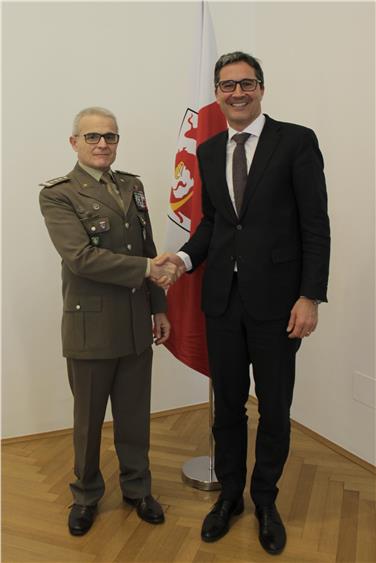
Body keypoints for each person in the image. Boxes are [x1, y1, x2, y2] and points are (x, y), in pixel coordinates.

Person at [156, 52, 330, 555]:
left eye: (246, 83)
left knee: (274, 409)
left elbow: (315, 226)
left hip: (280, 306)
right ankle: (230, 495)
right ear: (216, 93)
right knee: (227, 407)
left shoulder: (296, 141)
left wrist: (310, 295)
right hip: (223, 304)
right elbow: (214, 223)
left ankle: (266, 500)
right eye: (227, 85)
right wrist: (184, 261)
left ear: (261, 88)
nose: (237, 92)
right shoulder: (209, 151)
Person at [39, 107, 177, 536]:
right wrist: (147, 270)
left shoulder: (131, 185)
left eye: (111, 137)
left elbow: (148, 245)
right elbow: (80, 258)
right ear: (74, 142)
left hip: (137, 321)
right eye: (93, 136)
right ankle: (86, 494)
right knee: (88, 421)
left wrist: (158, 307)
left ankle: (138, 488)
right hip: (91, 327)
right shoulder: (58, 194)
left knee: (135, 416)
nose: (103, 144)